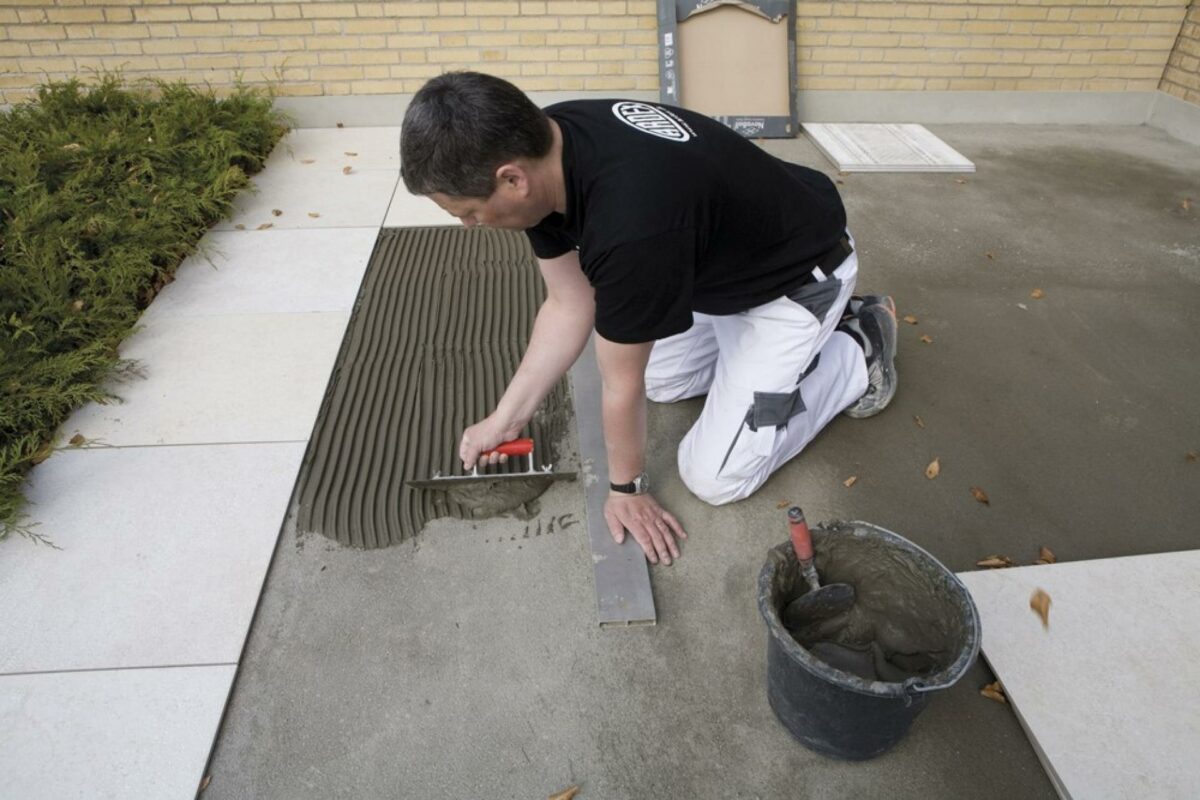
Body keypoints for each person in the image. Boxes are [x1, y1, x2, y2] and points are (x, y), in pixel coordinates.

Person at [400, 72, 897, 567]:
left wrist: (627, 488)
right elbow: (569, 304)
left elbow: (620, 381)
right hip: (718, 257)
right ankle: (767, 362)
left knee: (715, 477)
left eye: (467, 212)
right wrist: (504, 419)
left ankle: (857, 346)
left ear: (513, 179)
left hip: (796, 280)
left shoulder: (631, 224)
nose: (469, 225)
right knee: (664, 379)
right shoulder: (548, 142)